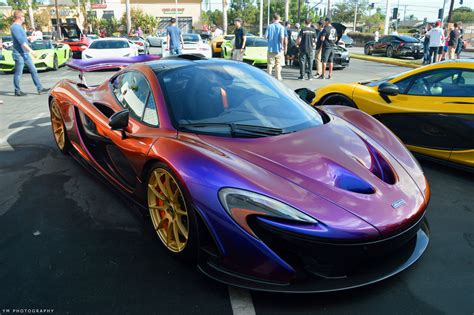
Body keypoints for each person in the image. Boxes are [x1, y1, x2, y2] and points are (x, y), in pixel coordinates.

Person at [10, 10, 48, 96]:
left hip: (25, 53)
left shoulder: (19, 27)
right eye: (23, 16)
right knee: (18, 73)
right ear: (20, 17)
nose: (24, 18)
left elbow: (23, 40)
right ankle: (17, 90)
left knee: (33, 70)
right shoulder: (15, 27)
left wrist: (28, 38)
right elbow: (21, 42)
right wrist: (31, 51)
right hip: (19, 54)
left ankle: (40, 88)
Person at [265, 13, 285, 81]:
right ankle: (278, 77)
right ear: (279, 19)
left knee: (270, 64)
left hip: (270, 48)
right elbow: (282, 37)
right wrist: (282, 46)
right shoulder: (281, 27)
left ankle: (269, 77)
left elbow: (265, 36)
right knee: (278, 64)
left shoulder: (269, 26)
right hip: (279, 48)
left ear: (273, 19)